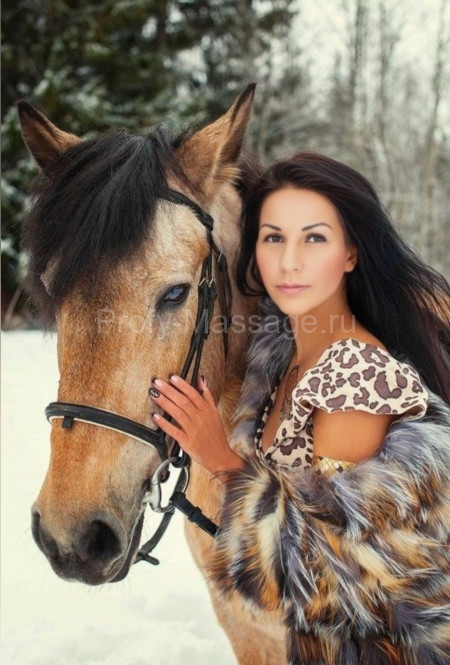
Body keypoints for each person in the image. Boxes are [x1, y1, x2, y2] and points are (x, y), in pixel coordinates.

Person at [149, 152, 450, 664]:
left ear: (350, 253)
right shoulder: (280, 351)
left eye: (314, 238)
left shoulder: (356, 375)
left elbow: (337, 582)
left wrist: (222, 461)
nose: (290, 261)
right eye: (274, 238)